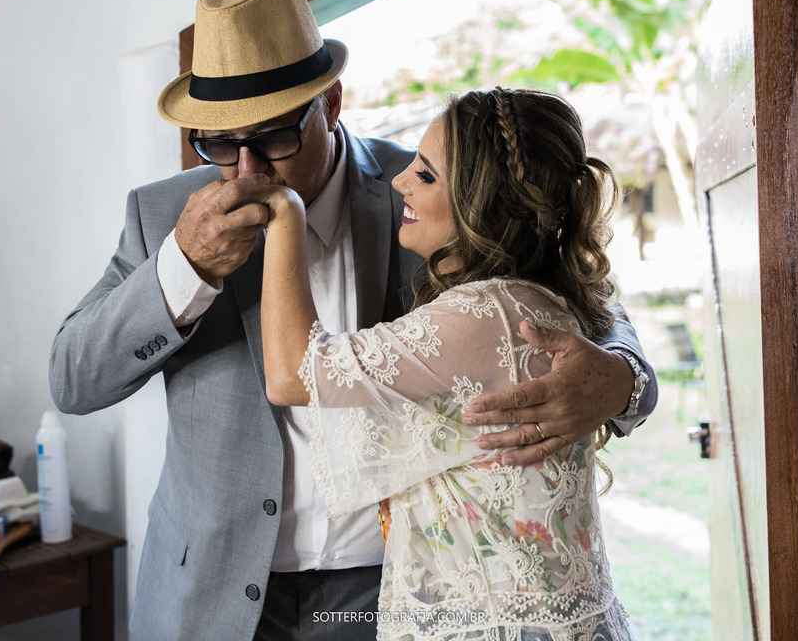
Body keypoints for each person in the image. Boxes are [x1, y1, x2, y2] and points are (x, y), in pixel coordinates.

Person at [48, 0, 655, 641]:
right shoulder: (166, 217)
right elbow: (73, 379)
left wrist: (623, 377)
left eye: (273, 136)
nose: (245, 170)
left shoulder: (430, 192)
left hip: (390, 589)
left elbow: (578, 298)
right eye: (218, 145)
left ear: (331, 103)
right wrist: (182, 270)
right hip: (213, 593)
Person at [257, 87, 634, 640]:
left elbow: (295, 373)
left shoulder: (486, 314)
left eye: (427, 175)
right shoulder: (540, 297)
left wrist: (285, 215)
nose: (400, 182)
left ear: (491, 208)